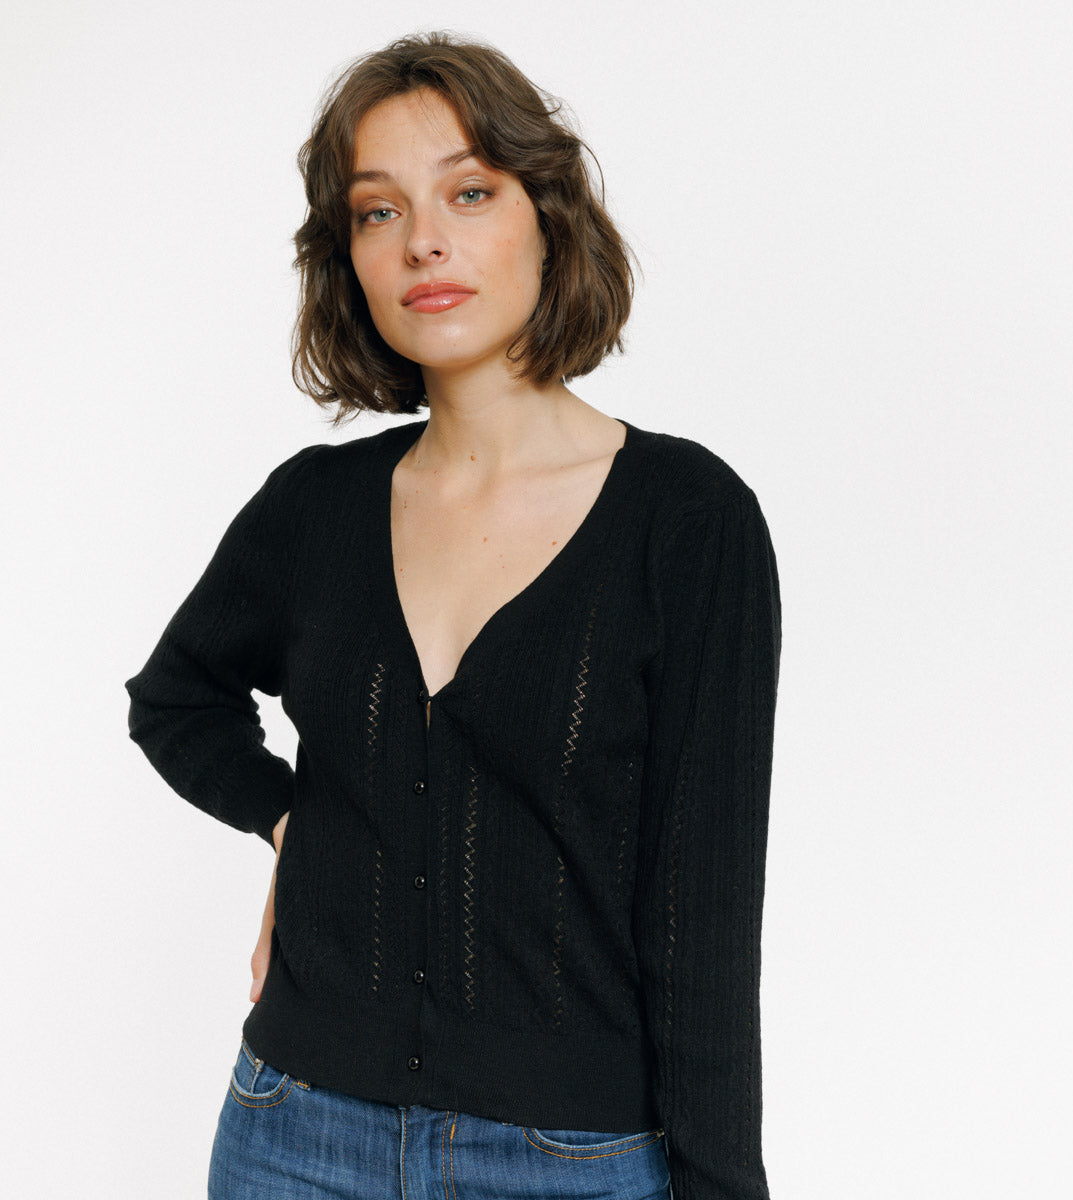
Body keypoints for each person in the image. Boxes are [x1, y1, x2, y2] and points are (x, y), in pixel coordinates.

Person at [124, 31, 781, 1200]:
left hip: (573, 1162)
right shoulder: (314, 510)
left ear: (549, 217)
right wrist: (290, 821)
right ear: (351, 260)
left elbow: (705, 922)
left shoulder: (687, 523)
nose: (423, 240)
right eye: (378, 211)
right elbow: (177, 700)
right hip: (294, 1136)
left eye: (469, 193)